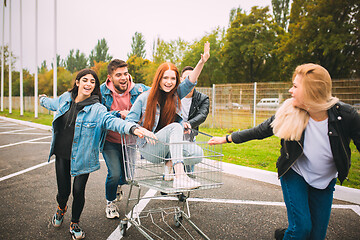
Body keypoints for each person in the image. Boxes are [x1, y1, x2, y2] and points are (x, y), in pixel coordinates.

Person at [208, 63, 360, 240]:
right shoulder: (289, 111)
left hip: (325, 182)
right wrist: (227, 138)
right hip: (295, 173)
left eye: (295, 86)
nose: (290, 90)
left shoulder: (346, 116)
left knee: (316, 236)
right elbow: (261, 130)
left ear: (312, 91)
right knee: (301, 229)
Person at [39, 69, 145, 240]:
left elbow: (110, 120)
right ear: (78, 82)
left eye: (92, 82)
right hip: (62, 153)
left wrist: (132, 127)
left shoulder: (97, 108)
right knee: (63, 192)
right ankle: (61, 208)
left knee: (78, 191)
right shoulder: (66, 98)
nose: (88, 84)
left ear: (95, 86)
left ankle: (75, 223)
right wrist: (42, 99)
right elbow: (52, 104)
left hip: (84, 156)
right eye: (85, 80)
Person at [124, 42, 210, 189]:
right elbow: (128, 123)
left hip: (167, 146)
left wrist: (201, 62)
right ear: (158, 79)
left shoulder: (175, 95)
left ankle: (170, 164)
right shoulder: (144, 98)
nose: (169, 82)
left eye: (173, 79)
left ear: (177, 81)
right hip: (150, 147)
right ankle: (180, 175)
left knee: (197, 154)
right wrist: (142, 130)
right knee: (176, 127)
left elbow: (190, 81)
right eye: (165, 78)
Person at [100, 59, 150, 219]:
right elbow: (97, 113)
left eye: (126, 74)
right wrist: (118, 114)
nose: (124, 78)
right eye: (119, 75)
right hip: (110, 140)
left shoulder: (139, 89)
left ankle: (118, 186)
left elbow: (161, 90)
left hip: (130, 141)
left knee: (128, 177)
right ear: (110, 77)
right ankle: (110, 203)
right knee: (114, 173)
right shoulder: (101, 92)